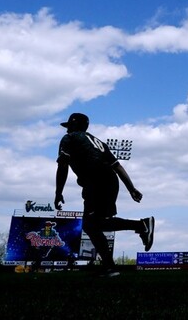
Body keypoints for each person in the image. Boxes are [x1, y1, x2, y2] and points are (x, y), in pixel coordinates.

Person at [54, 112, 155, 276]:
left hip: (96, 181)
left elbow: (63, 166)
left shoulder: (70, 138)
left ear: (74, 126)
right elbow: (117, 166)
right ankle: (139, 227)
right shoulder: (97, 141)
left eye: (69, 126)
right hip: (109, 180)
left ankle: (111, 266)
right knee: (97, 224)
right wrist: (131, 189)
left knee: (91, 225)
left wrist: (58, 192)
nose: (67, 130)